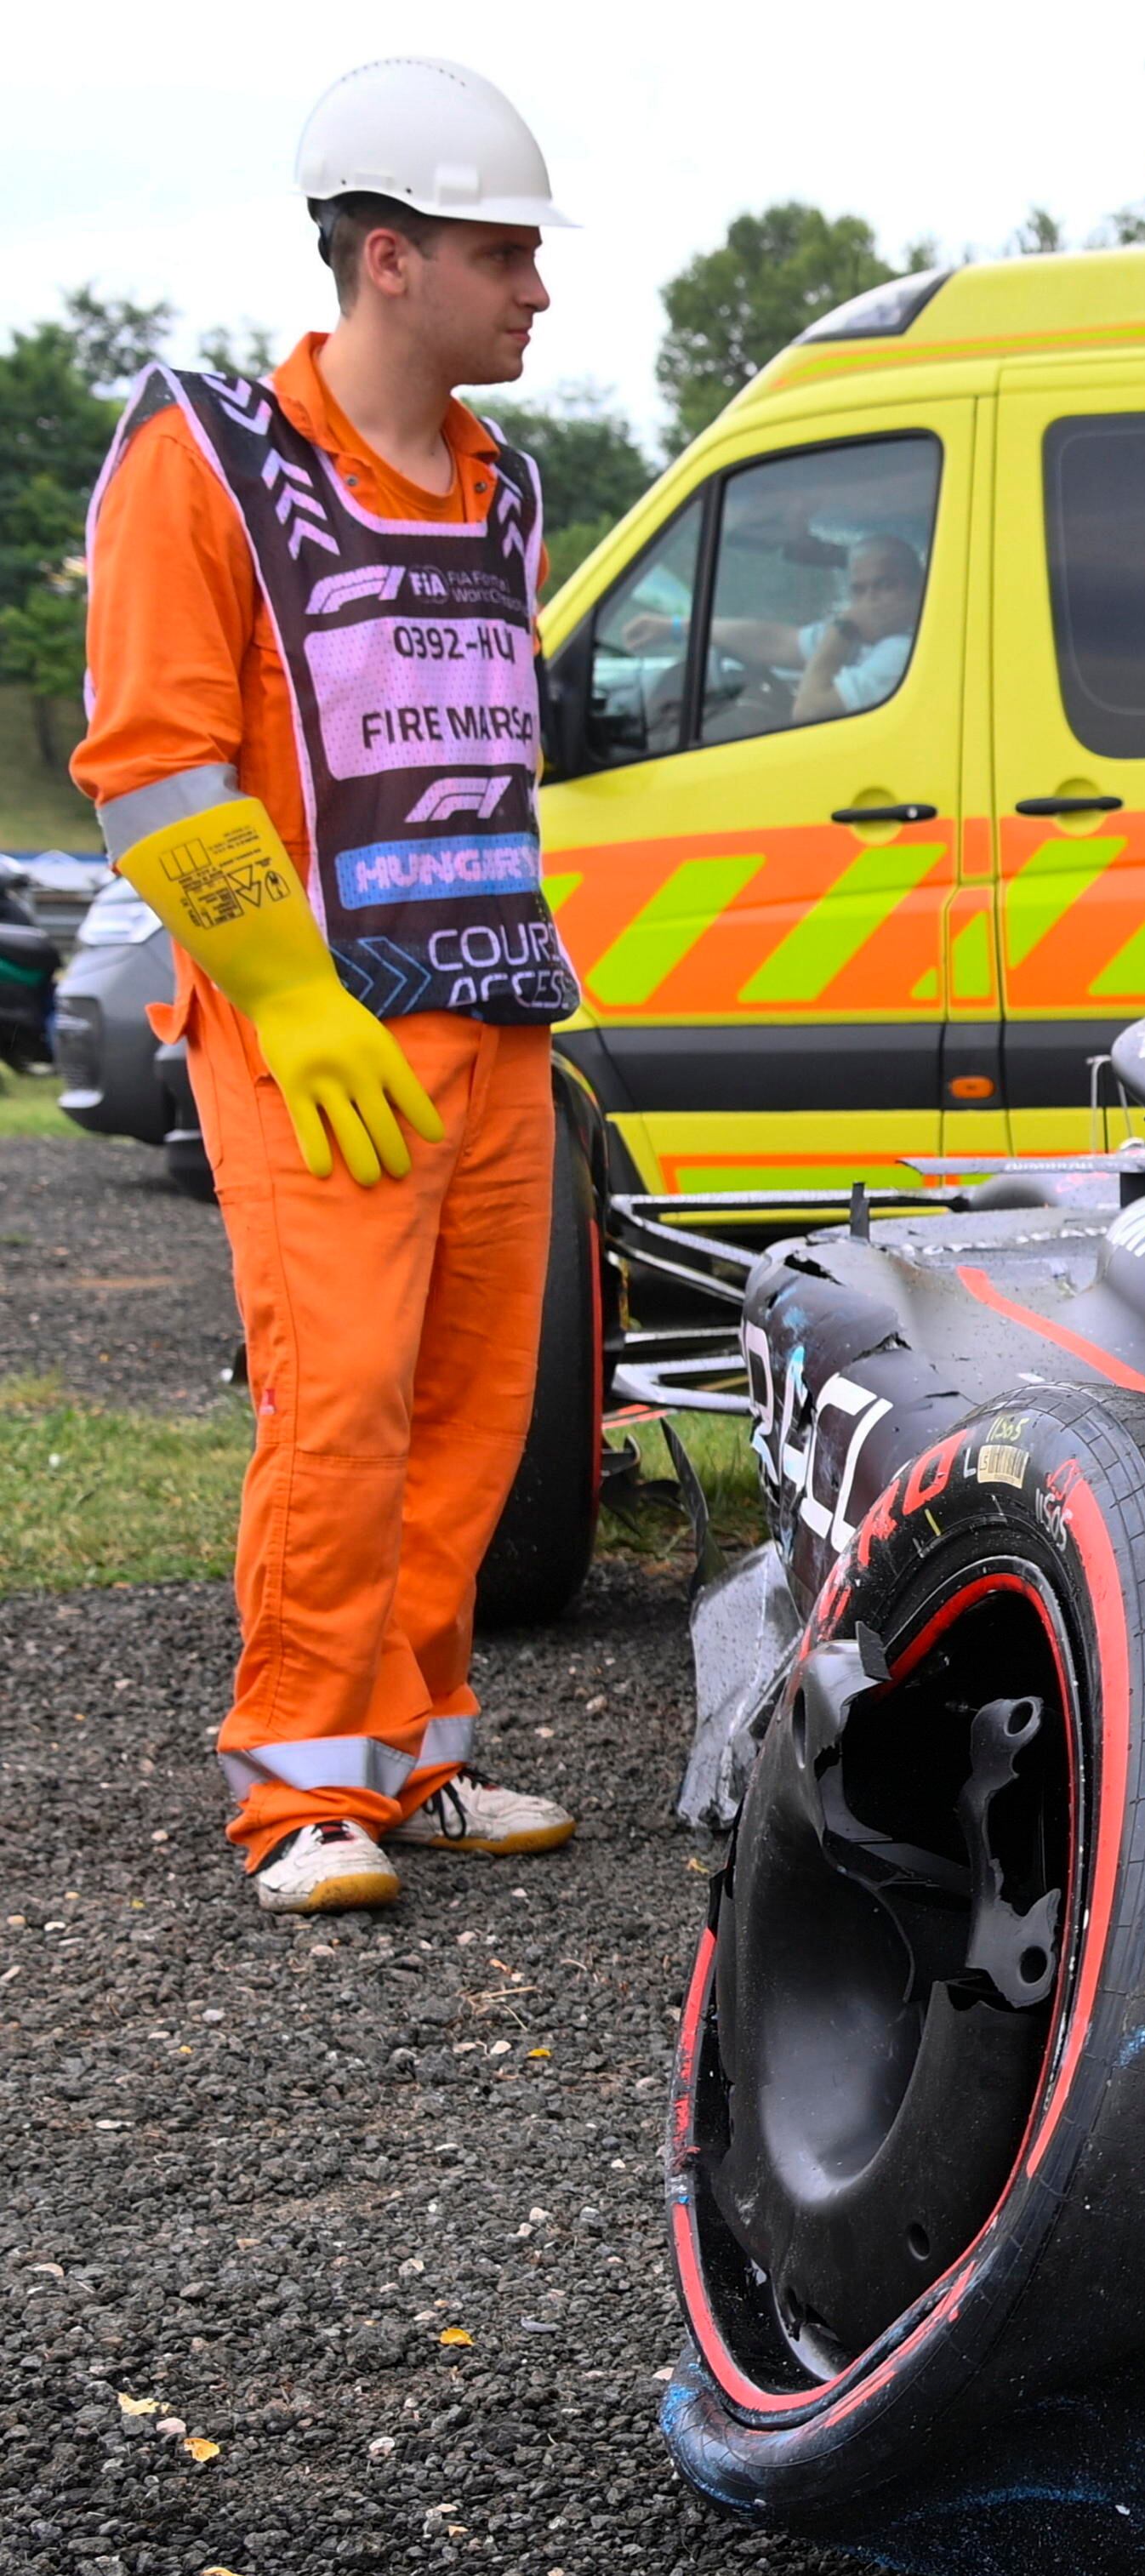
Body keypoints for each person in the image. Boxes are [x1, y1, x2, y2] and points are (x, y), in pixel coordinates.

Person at [74, 57, 585, 1914]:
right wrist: (286, 995)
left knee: (471, 1412)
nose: (537, 291)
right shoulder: (203, 459)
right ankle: (298, 1787)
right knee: (343, 1402)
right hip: (319, 1027)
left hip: (494, 1011)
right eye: (503, 254)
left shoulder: (504, 484)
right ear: (390, 259)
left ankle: (412, 1750)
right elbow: (151, 759)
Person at [709, 529, 926, 732]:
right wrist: (683, 629)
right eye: (859, 590)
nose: (870, 600)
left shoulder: (906, 650)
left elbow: (809, 712)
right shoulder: (865, 631)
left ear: (917, 588)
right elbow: (778, 642)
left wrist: (843, 628)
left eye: (886, 585)